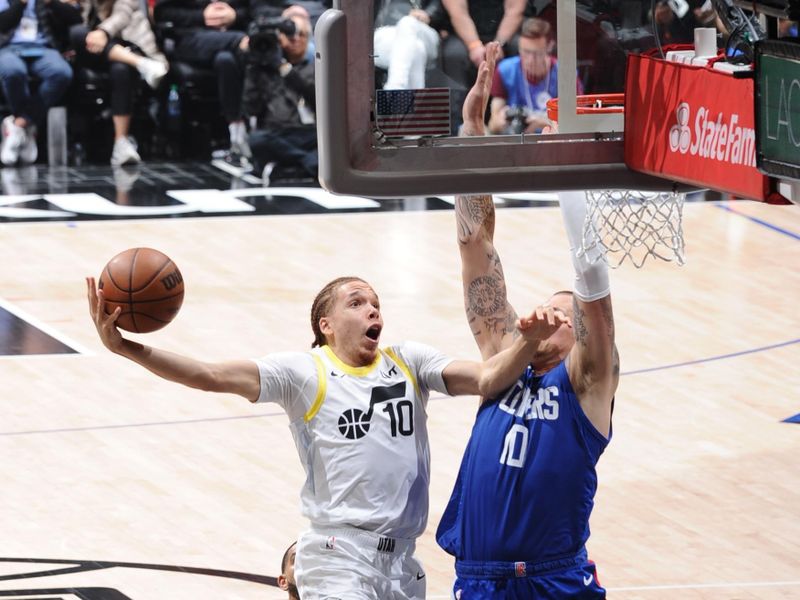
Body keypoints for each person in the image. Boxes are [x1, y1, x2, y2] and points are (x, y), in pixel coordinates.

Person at [86, 273, 566, 599]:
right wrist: (128, 347)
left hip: (404, 563)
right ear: (326, 325)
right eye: (356, 303)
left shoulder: (409, 361)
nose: (372, 309)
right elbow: (209, 374)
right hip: (338, 554)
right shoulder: (304, 372)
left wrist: (526, 341)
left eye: (376, 303)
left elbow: (485, 379)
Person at [436, 42, 619, 598]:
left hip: (555, 579)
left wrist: (569, 180)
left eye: (564, 314)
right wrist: (472, 131)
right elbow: (474, 244)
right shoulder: (502, 360)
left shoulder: (587, 385)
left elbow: (594, 295)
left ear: (577, 336)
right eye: (549, 305)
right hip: (481, 579)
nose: (550, 312)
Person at [71, 0, 169, 165]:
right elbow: (73, 20)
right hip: (92, 51)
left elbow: (122, 15)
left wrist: (103, 32)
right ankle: (142, 64)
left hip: (128, 46)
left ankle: (121, 142)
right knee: (78, 33)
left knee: (120, 69)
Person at [153, 0, 251, 160]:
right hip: (193, 37)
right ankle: (253, 124)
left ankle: (236, 131)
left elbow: (250, 9)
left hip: (230, 37)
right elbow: (162, 13)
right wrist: (202, 16)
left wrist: (234, 15)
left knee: (225, 60)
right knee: (245, 42)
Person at [0, 0, 81, 165]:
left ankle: (19, 124)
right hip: (8, 48)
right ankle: (27, 128)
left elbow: (75, 18)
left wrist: (53, 3)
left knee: (62, 72)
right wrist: (20, 4)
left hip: (43, 48)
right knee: (13, 71)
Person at [243, 6, 316, 183]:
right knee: (257, 140)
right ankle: (306, 164)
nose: (296, 39)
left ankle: (285, 167)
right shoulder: (262, 69)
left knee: (331, 145)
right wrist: (255, 70)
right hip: (275, 134)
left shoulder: (317, 68)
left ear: (309, 40)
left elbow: (317, 101)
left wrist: (286, 70)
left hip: (308, 134)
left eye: (302, 35)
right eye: (290, 35)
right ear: (280, 38)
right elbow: (250, 108)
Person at [487, 17, 582, 135]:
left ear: (549, 46)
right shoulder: (505, 70)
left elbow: (576, 121)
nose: (530, 60)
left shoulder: (566, 73)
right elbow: (492, 125)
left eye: (537, 53)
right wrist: (500, 121)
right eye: (525, 52)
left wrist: (543, 122)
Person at [372, 0, 444, 90]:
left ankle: (395, 88)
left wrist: (429, 14)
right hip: (386, 34)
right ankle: (413, 100)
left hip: (424, 31)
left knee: (407, 23)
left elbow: (441, 7)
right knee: (416, 48)